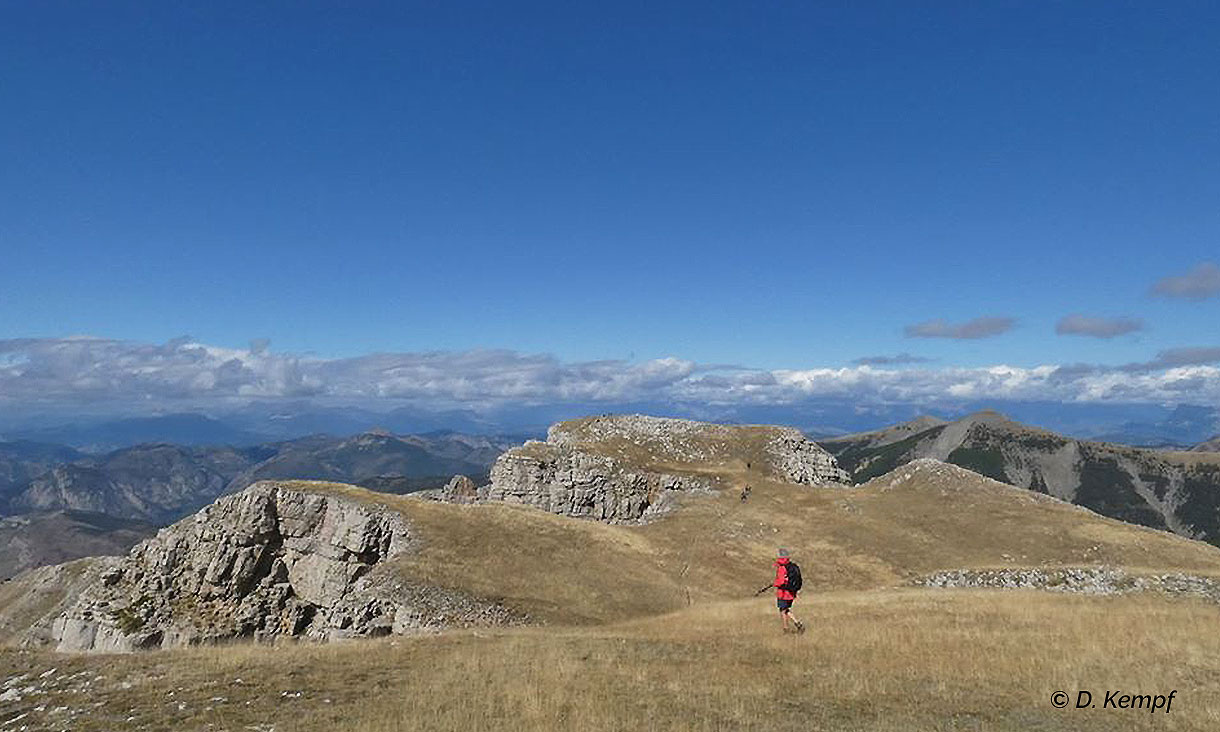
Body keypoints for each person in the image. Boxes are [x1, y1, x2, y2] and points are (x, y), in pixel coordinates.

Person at [771, 548, 805, 634]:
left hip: (783, 593)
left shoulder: (782, 567)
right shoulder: (790, 566)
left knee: (782, 610)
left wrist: (775, 584)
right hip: (791, 593)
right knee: (785, 609)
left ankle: (786, 629)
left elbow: (781, 582)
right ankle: (797, 624)